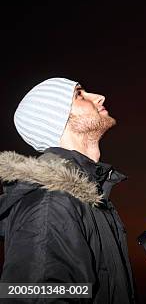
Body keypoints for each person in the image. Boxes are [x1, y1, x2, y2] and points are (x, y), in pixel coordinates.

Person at [0, 78, 136, 303]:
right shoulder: (49, 202)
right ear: (58, 118)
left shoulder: (87, 196)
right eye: (79, 95)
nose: (99, 97)